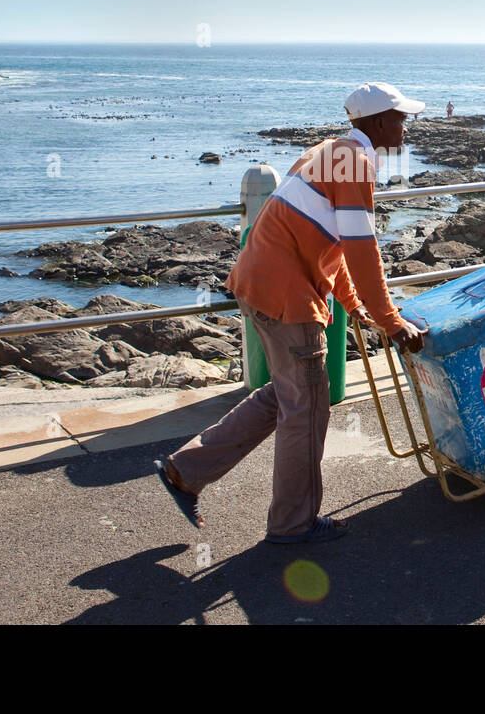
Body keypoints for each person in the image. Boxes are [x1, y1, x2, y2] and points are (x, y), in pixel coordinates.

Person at [155, 82, 428, 544]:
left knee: (288, 395)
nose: (406, 127)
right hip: (288, 297)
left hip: (258, 283)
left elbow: (330, 242)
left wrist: (355, 304)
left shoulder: (327, 151)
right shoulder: (356, 163)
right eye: (401, 118)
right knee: (308, 410)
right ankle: (292, 526)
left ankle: (185, 470)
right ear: (379, 121)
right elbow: (362, 249)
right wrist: (390, 320)